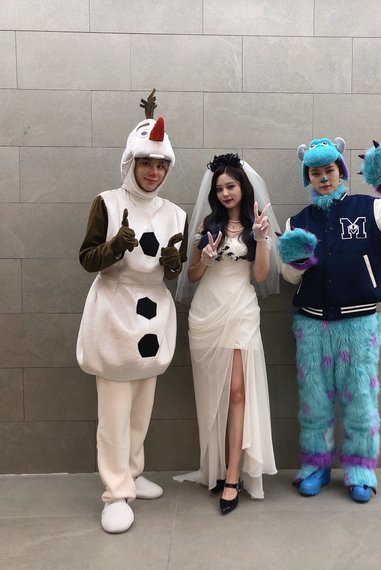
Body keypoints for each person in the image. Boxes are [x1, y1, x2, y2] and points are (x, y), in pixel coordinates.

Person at [278, 137, 381, 502]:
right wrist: (296, 263)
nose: (323, 178)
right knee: (314, 402)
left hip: (359, 326)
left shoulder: (371, 209)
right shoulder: (298, 221)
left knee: (361, 399)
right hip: (312, 325)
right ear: (308, 177)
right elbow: (290, 277)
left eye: (329, 170)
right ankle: (315, 466)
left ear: (341, 170)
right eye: (315, 172)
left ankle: (361, 470)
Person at [76, 90, 188, 533]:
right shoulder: (106, 203)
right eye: (146, 163)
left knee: (141, 407)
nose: (153, 172)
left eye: (161, 165)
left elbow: (172, 270)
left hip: (153, 318)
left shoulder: (175, 214)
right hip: (114, 314)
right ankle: (115, 491)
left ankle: (133, 473)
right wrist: (113, 247)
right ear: (131, 162)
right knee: (114, 413)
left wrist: (174, 264)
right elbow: (87, 259)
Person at [174, 154, 280, 514]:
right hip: (206, 312)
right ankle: (217, 469)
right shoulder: (208, 223)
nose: (225, 193)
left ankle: (234, 476)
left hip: (241, 311)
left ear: (242, 187)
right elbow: (191, 277)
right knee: (216, 394)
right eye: (219, 188)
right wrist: (204, 258)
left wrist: (262, 239)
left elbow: (261, 276)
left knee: (237, 391)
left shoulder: (255, 225)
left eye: (230, 186)